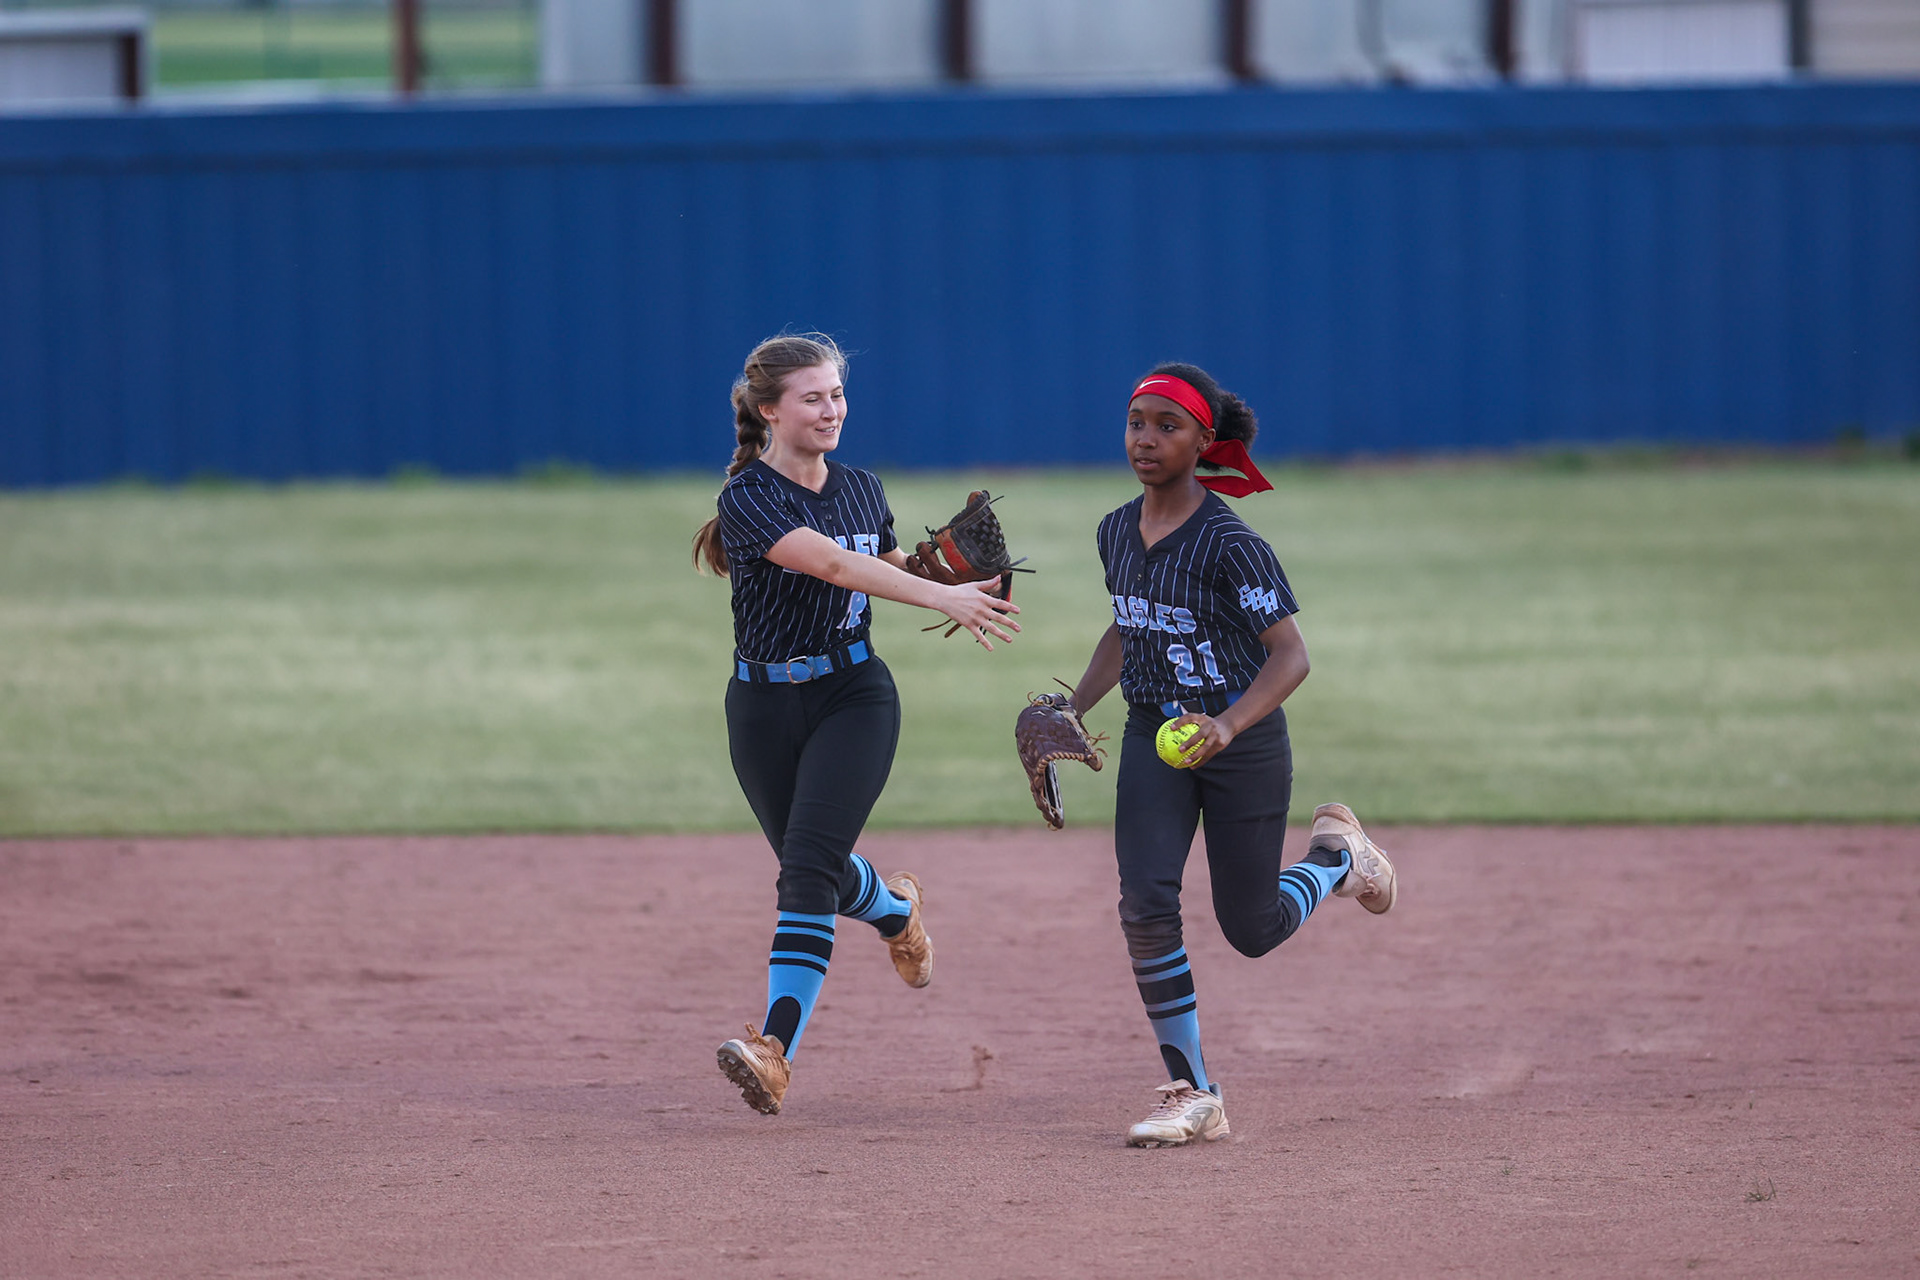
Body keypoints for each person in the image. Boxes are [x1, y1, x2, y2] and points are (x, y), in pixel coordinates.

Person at [1062, 362, 1398, 1147]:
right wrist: (1070, 707)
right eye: (1137, 422)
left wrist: (1231, 725)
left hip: (1241, 747)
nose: (1146, 439)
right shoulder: (1115, 528)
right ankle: (1194, 1090)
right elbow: (1127, 628)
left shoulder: (1230, 544)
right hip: (1154, 734)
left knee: (1250, 928)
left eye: (1167, 426)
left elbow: (1291, 655)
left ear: (1203, 442)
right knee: (1145, 906)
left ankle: (1336, 860)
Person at [691, 333, 1019, 1116]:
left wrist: (958, 574)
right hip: (762, 709)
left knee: (803, 871)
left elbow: (883, 560)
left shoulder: (863, 488)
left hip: (854, 698)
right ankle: (898, 909)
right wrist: (942, 598)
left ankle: (774, 1053)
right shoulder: (748, 499)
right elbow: (832, 565)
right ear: (770, 409)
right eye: (813, 397)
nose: (831, 409)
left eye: (837, 394)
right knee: (823, 874)